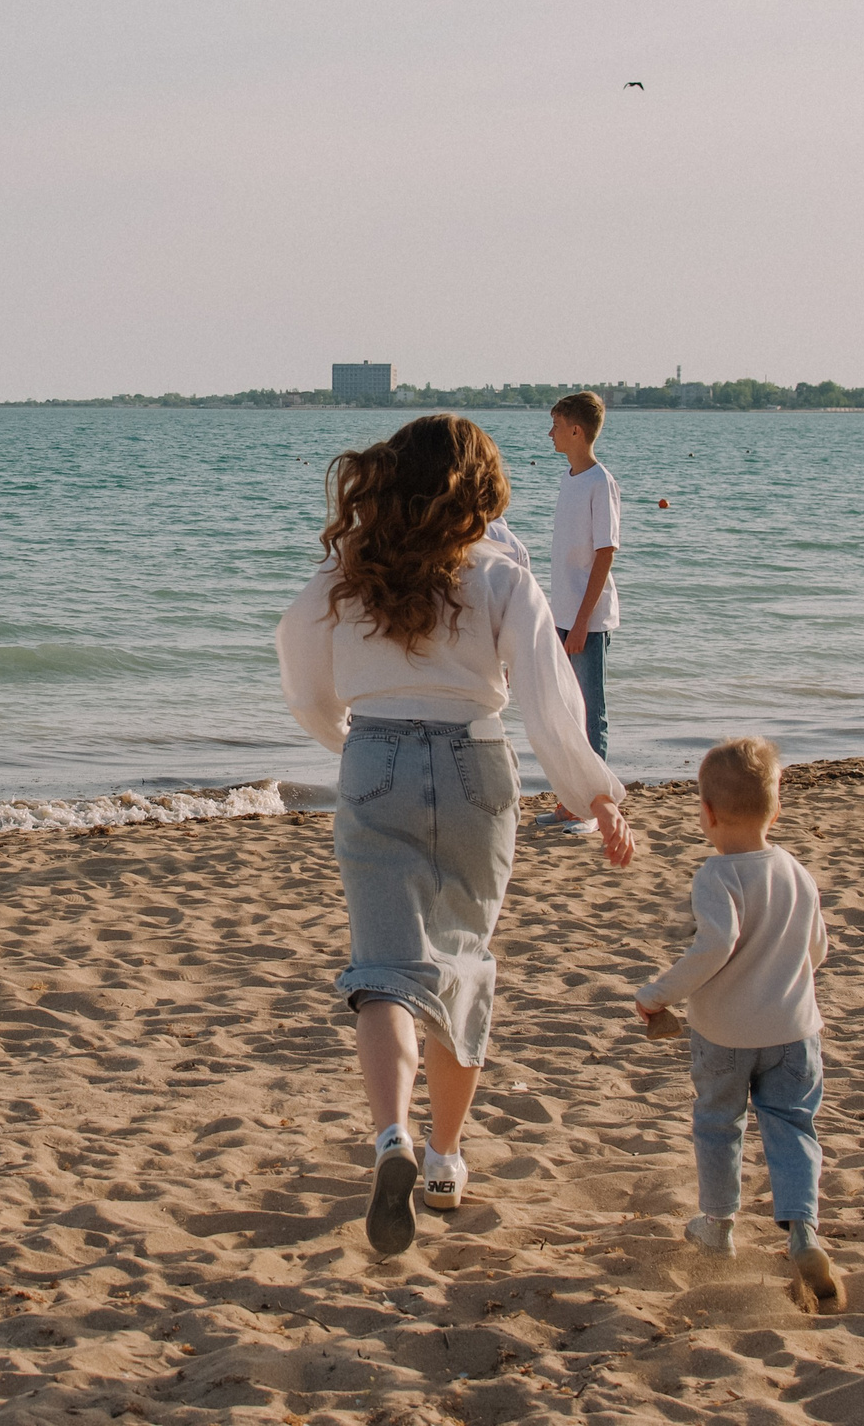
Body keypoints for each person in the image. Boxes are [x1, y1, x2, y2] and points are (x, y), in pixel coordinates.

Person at [276, 415, 635, 1256]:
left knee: (384, 973)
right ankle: (443, 1160)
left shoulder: (349, 573)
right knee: (462, 961)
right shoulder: (503, 575)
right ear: (481, 489)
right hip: (478, 762)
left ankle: (389, 1137)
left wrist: (346, 741)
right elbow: (551, 702)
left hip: (375, 759)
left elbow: (299, 665)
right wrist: (596, 796)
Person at [631, 736, 844, 1312]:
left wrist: (656, 994)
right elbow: (816, 948)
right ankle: (803, 1230)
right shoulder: (796, 871)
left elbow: (714, 946)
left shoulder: (717, 875)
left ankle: (720, 1225)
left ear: (706, 812)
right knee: (794, 1124)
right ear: (776, 811)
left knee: (719, 1123)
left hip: (725, 1034)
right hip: (795, 1029)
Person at [543, 391, 622, 833]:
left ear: (576, 430)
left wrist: (582, 622)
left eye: (555, 424)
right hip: (563, 614)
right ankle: (568, 803)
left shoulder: (599, 482)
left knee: (591, 712)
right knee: (564, 712)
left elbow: (604, 553)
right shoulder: (569, 479)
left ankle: (594, 809)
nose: (549, 433)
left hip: (587, 620)